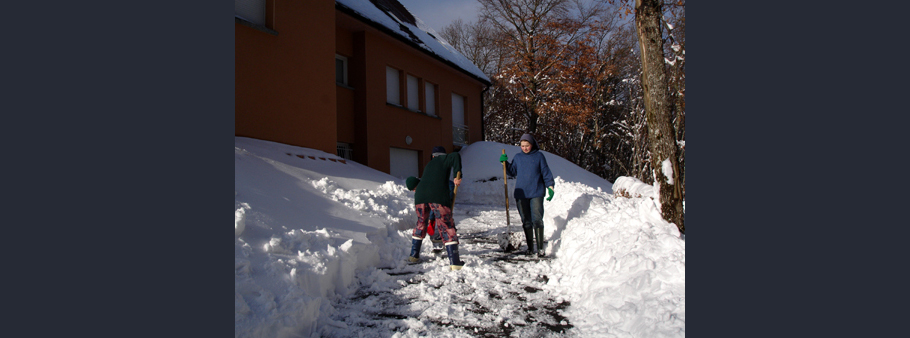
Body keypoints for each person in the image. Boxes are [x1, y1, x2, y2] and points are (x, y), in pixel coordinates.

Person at [407, 146, 465, 270]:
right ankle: (455, 262)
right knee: (446, 224)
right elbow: (455, 155)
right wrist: (457, 176)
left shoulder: (429, 165)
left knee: (421, 222)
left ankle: (414, 255)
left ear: (432, 156)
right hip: (437, 195)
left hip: (420, 195)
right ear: (442, 155)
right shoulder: (443, 159)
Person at [499, 134, 555, 257]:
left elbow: (545, 172)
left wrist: (550, 186)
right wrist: (505, 163)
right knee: (526, 221)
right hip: (521, 194)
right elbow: (512, 171)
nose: (524, 148)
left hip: (536, 192)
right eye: (522, 146)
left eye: (527, 146)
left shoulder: (539, 156)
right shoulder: (518, 157)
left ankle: (540, 248)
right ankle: (530, 248)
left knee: (537, 220)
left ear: (532, 144)